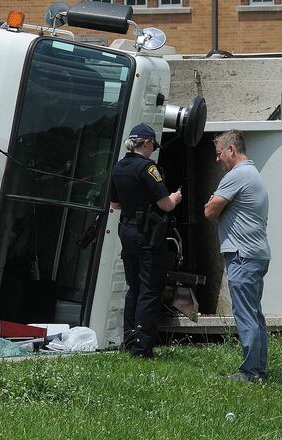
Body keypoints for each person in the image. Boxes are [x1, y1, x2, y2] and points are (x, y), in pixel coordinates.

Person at [109, 123, 182, 358]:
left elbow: (115, 205)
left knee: (134, 288)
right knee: (150, 290)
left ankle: (130, 342)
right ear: (148, 143)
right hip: (148, 235)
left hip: (127, 232)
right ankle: (142, 349)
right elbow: (166, 205)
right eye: (152, 146)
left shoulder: (119, 167)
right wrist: (174, 197)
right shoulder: (148, 168)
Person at [204, 130, 271, 382]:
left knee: (245, 314)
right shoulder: (252, 174)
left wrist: (214, 203)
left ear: (232, 150)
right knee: (254, 314)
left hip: (243, 256)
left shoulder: (236, 176)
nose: (217, 159)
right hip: (255, 254)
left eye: (219, 153)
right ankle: (259, 371)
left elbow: (209, 212)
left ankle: (250, 372)